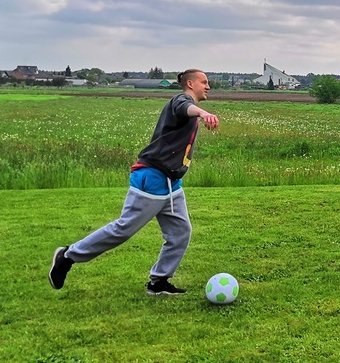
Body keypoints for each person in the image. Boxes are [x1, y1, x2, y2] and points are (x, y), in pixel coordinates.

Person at [49, 69, 220, 295]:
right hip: (152, 176)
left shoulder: (188, 105)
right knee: (123, 229)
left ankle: (158, 282)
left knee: (180, 232)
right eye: (204, 82)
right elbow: (184, 107)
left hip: (171, 182)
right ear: (190, 83)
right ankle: (68, 256)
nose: (208, 86)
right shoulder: (181, 101)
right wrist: (202, 113)